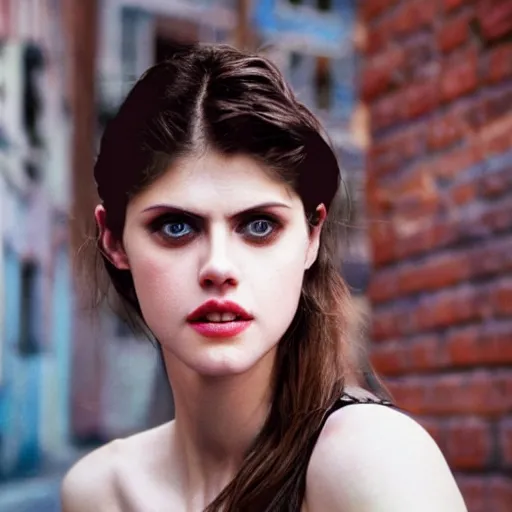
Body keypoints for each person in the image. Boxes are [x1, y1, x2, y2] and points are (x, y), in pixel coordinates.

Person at [61, 43, 467, 512]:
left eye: (259, 225)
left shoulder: (374, 460)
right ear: (113, 241)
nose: (218, 267)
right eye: (176, 226)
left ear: (312, 236)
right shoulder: (96, 492)